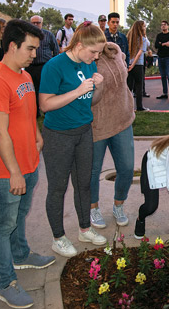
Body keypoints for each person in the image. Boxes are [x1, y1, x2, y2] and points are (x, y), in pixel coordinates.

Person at [0, 19, 55, 308]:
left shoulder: (23, 76)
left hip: (29, 162)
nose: (35, 55)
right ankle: (6, 283)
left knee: (19, 216)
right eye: (31, 49)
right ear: (12, 46)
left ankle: (21, 255)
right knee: (2, 225)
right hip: (5, 171)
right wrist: (14, 173)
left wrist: (36, 136)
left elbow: (27, 112)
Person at [39, 21, 107, 258]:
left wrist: (97, 88)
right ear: (79, 45)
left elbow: (91, 101)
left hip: (83, 131)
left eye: (99, 52)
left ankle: (84, 229)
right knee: (58, 188)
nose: (96, 57)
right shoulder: (54, 66)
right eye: (94, 52)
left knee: (84, 183)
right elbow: (45, 104)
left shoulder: (88, 64)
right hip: (58, 135)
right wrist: (78, 90)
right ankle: (58, 238)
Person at [89, 42, 135, 229]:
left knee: (126, 168)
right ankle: (93, 208)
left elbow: (124, 67)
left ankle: (118, 205)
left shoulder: (116, 51)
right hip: (97, 124)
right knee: (93, 171)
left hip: (122, 119)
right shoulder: (86, 58)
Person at [27, 15, 59, 116]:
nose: (36, 25)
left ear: (42, 23)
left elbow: (56, 49)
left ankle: (47, 112)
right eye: (33, 23)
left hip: (45, 66)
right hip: (30, 67)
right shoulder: (27, 36)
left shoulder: (48, 35)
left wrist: (53, 65)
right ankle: (35, 112)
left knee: (46, 89)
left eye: (38, 23)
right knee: (32, 90)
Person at [127, 20, 150, 111]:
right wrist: (133, 65)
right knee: (139, 86)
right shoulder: (142, 39)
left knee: (129, 87)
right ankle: (139, 107)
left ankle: (128, 107)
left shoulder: (129, 38)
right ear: (140, 28)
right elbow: (140, 53)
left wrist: (130, 64)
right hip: (138, 65)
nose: (145, 28)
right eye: (144, 26)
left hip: (129, 64)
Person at [155, 20, 169, 100]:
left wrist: (161, 43)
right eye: (162, 25)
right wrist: (164, 44)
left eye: (164, 25)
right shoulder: (159, 35)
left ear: (168, 26)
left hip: (168, 58)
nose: (163, 26)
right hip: (160, 57)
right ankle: (165, 93)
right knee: (163, 76)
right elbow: (156, 45)